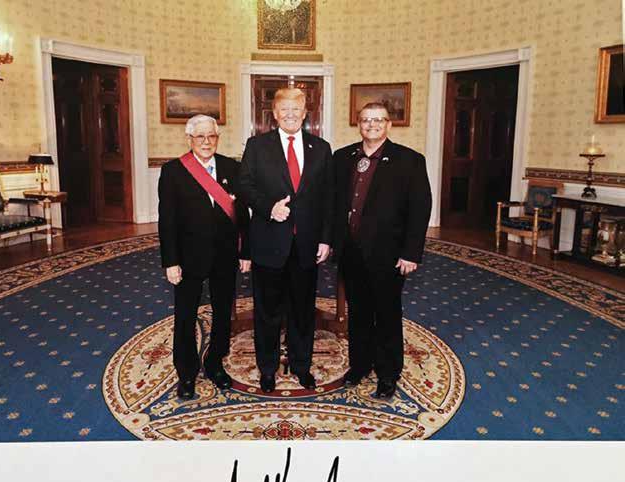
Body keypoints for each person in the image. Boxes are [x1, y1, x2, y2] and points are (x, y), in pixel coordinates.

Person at [237, 88, 334, 393]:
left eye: (296, 109)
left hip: (306, 244)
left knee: (302, 310)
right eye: (284, 109)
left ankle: (301, 365)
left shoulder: (321, 148)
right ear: (275, 114)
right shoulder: (256, 146)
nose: (290, 114)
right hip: (269, 242)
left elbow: (328, 198)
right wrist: (269, 208)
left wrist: (326, 239)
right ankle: (267, 369)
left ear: (305, 114)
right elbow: (244, 186)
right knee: (267, 312)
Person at [333, 102, 432, 399]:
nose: (372, 125)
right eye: (366, 120)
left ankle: (388, 374)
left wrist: (411, 253)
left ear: (389, 125)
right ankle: (360, 365)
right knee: (358, 312)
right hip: (351, 251)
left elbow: (420, 209)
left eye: (378, 120)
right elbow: (332, 202)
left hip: (388, 254)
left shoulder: (409, 160)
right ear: (359, 125)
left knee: (387, 314)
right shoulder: (342, 157)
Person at [158, 114, 251, 400]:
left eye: (211, 136)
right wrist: (170, 261)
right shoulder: (173, 171)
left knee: (223, 312)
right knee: (185, 315)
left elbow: (242, 214)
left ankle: (215, 363)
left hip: (225, 255)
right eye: (200, 136)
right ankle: (186, 373)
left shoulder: (231, 167)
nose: (207, 142)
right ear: (189, 139)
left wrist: (245, 251)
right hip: (188, 258)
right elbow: (167, 220)